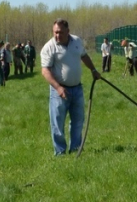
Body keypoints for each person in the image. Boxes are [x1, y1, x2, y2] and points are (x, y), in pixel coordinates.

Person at [41, 19, 102, 156]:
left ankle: (75, 149)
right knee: (57, 124)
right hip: (59, 91)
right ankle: (60, 152)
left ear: (68, 31)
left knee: (78, 121)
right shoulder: (49, 47)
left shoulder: (76, 41)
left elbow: (84, 56)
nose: (57, 35)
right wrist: (58, 88)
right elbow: (45, 71)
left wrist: (93, 70)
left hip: (77, 89)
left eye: (61, 32)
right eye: (55, 32)